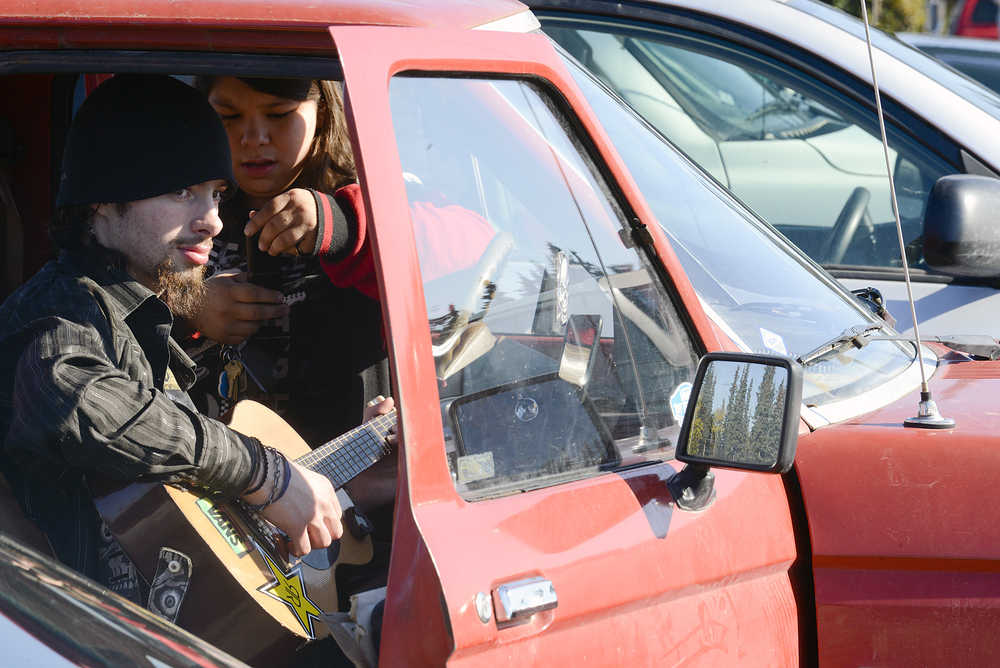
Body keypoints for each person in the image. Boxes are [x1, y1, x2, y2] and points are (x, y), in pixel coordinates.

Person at [0, 74, 346, 605]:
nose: (210, 221)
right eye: (181, 191)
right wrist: (265, 475)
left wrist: (350, 481)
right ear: (101, 201)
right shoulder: (58, 316)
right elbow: (82, 401)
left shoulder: (140, 318)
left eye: (215, 194)